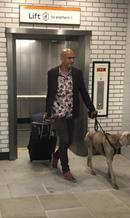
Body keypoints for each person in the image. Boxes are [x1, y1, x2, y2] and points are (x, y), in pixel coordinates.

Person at [44, 48, 97, 182]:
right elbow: (50, 93)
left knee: (70, 141)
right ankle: (66, 169)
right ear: (62, 58)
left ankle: (56, 156)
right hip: (58, 111)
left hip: (71, 111)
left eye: (73, 58)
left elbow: (83, 92)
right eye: (69, 58)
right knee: (65, 139)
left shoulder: (77, 73)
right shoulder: (52, 73)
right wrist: (47, 110)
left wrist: (91, 109)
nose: (72, 61)